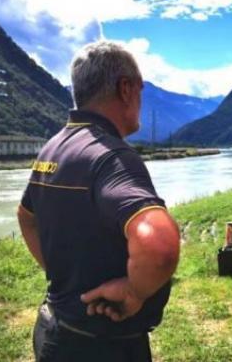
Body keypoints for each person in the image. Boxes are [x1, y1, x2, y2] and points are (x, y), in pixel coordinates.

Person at [17, 41, 180, 362]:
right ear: (125, 88)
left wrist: (61, 274)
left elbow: (25, 217)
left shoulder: (53, 147)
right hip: (104, 344)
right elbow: (159, 247)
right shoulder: (112, 156)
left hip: (54, 331)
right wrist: (134, 291)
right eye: (141, 89)